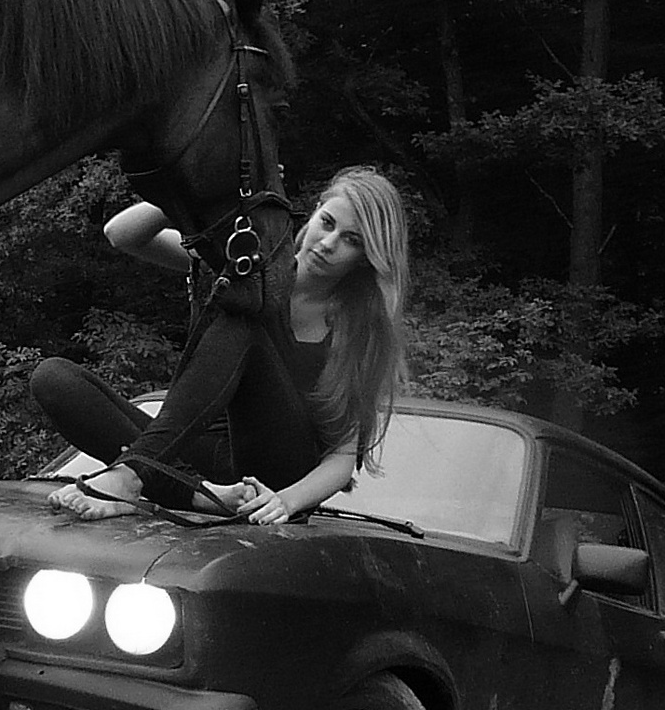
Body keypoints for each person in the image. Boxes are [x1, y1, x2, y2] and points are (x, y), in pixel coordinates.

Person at [31, 165, 409, 526]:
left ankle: (134, 474)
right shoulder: (244, 263)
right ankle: (199, 495)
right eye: (327, 223)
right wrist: (202, 190)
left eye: (351, 241)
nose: (328, 244)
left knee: (245, 306)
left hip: (276, 474)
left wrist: (285, 502)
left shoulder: (358, 327)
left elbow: (342, 459)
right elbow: (122, 234)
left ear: (366, 258)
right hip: (204, 461)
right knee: (54, 380)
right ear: (313, 214)